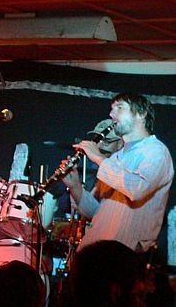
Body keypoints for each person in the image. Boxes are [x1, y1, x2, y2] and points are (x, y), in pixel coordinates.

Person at [61, 92, 174, 253]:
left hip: (125, 253)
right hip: (97, 248)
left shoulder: (156, 151)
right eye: (112, 109)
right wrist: (75, 186)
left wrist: (99, 158)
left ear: (141, 114)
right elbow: (94, 212)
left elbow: (138, 189)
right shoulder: (116, 158)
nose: (111, 114)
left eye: (119, 108)